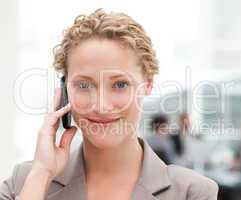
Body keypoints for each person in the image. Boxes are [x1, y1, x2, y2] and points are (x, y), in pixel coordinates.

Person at [0, 8, 218, 200]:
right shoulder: (23, 183)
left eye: (120, 84)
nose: (101, 106)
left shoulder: (191, 192)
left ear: (148, 84)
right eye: (84, 85)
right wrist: (41, 174)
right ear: (65, 89)